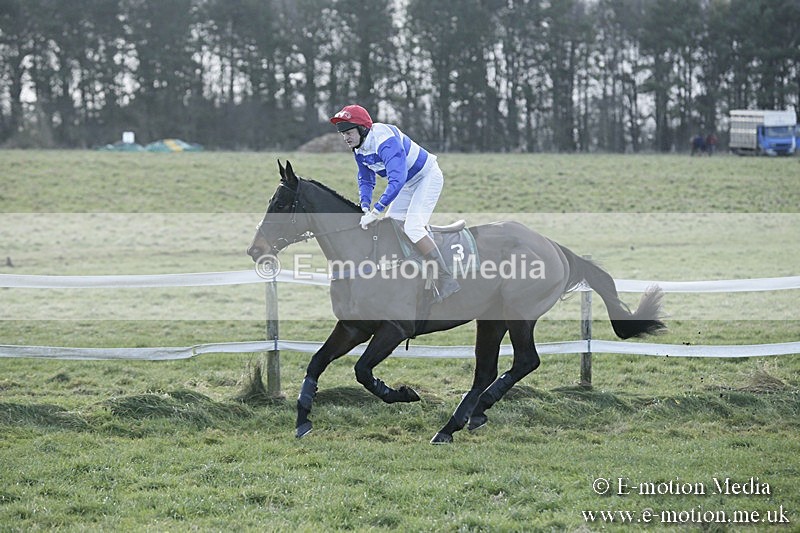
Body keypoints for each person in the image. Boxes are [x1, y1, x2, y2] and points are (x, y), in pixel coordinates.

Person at [330, 104, 460, 301]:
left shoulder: (385, 140)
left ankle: (446, 278)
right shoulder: (359, 148)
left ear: (362, 128)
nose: (345, 138)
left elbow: (396, 180)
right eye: (343, 134)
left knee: (413, 227)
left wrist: (376, 211)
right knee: (391, 225)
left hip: (427, 177)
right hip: (408, 182)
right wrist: (365, 206)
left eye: (348, 132)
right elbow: (365, 179)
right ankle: (407, 272)